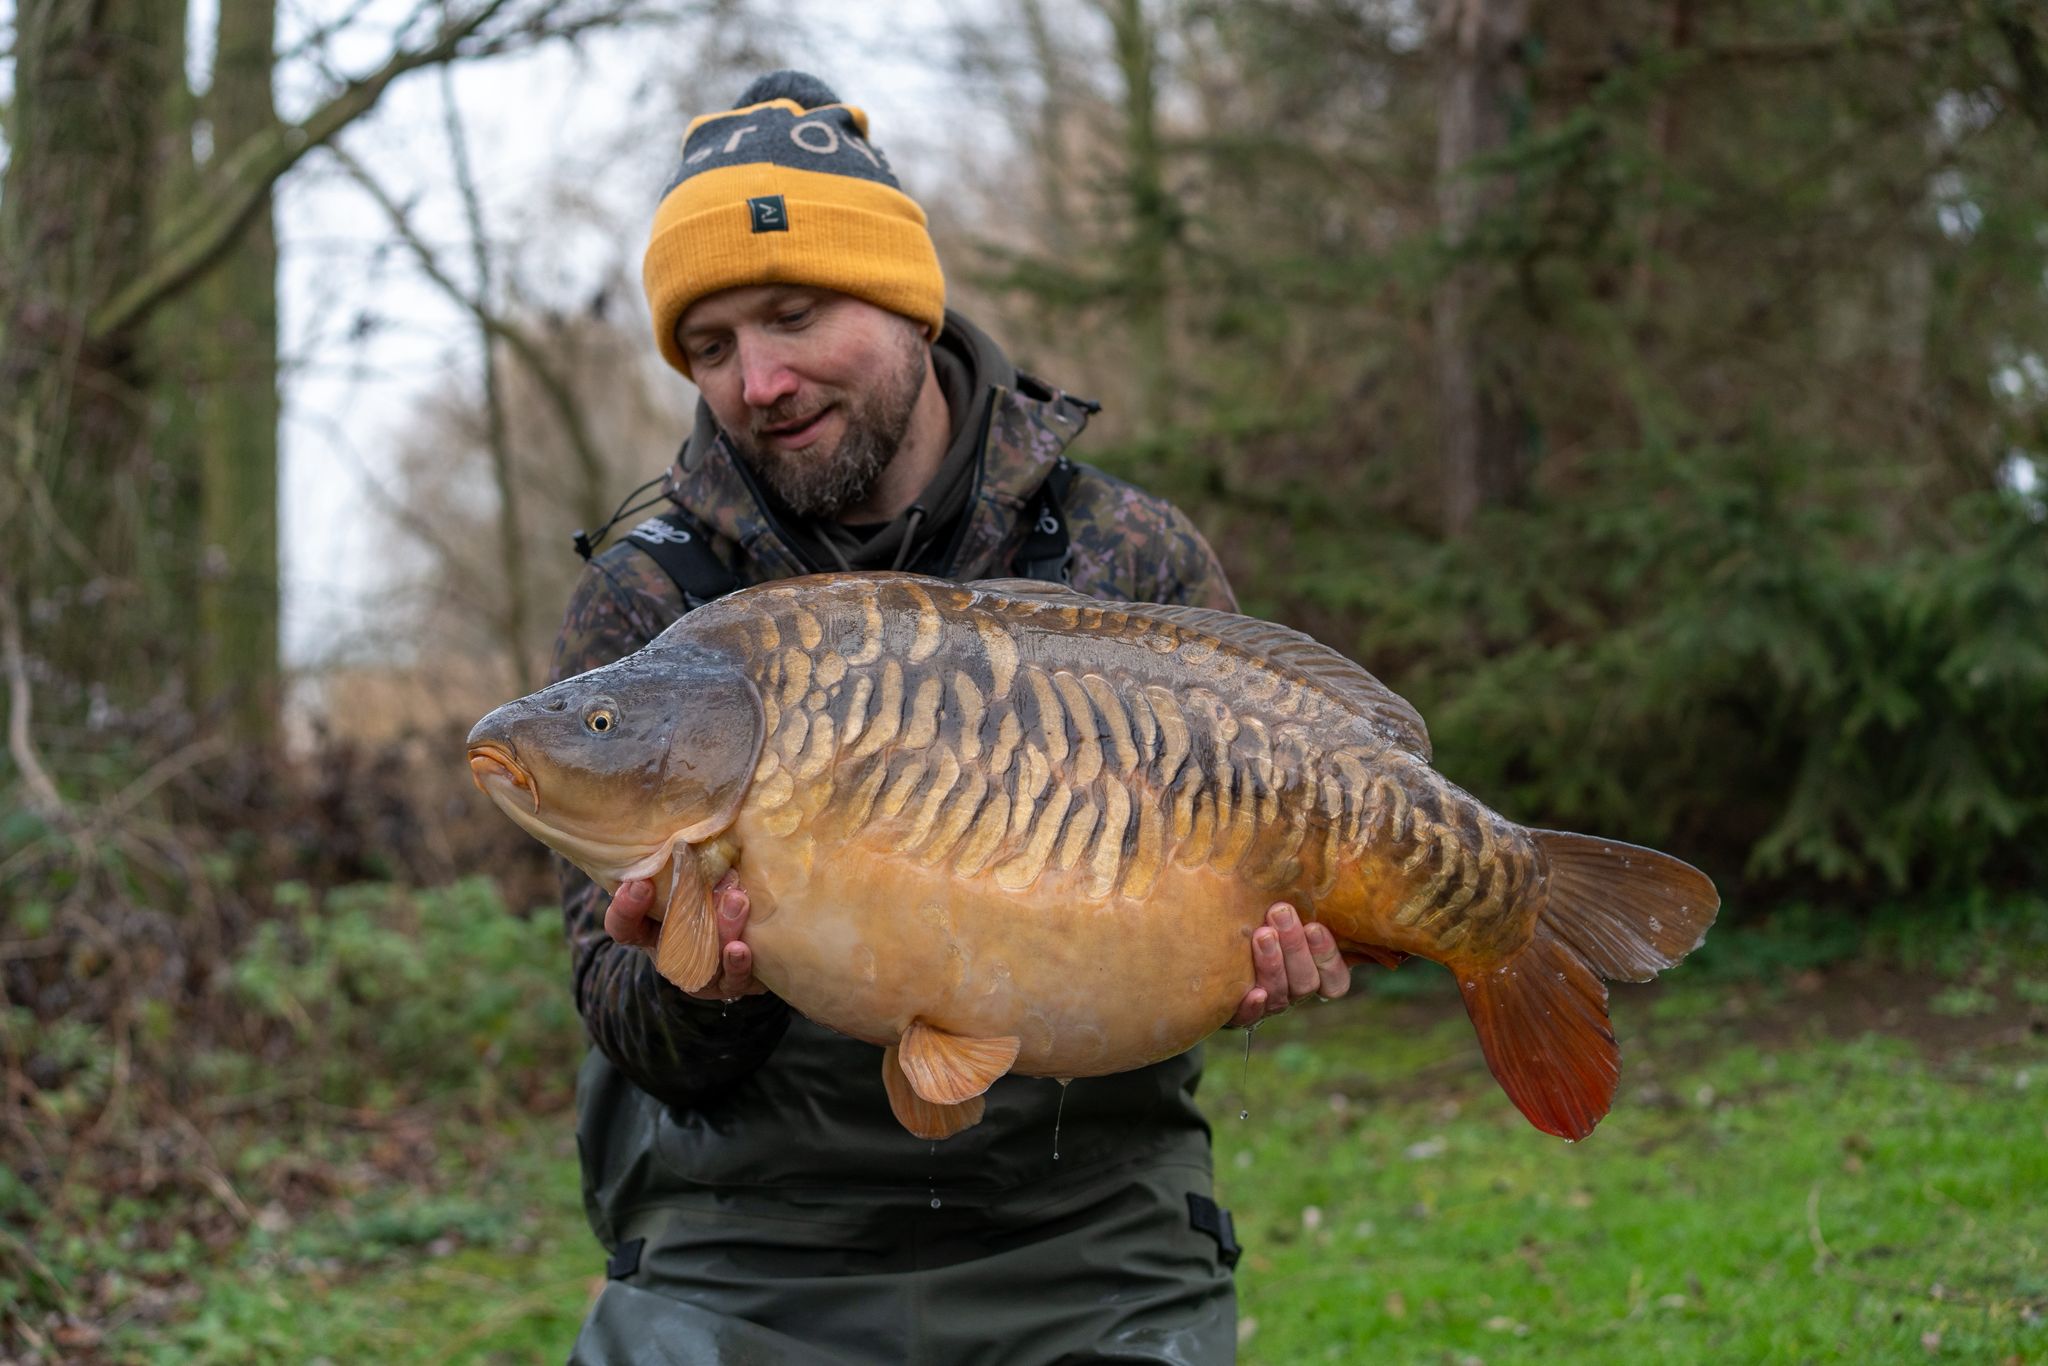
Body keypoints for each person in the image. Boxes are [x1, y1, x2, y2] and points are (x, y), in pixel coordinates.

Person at [553, 70, 1352, 1365]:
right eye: (709, 347)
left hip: (1089, 1233)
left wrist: (1266, 956)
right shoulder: (648, 606)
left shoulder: (1123, 554)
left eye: (794, 312)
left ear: (904, 297)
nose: (758, 379)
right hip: (747, 1250)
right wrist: (702, 977)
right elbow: (629, 1024)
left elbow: (1244, 893)